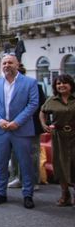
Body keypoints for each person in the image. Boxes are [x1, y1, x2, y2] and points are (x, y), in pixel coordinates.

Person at [0, 54, 39, 209]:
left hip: (21, 129)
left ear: (17, 65)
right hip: (1, 129)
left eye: (10, 62)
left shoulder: (30, 82)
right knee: (0, 164)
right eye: (4, 63)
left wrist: (17, 122)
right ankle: (0, 192)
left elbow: (33, 104)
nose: (6, 65)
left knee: (25, 164)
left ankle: (28, 194)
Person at [40, 74, 75, 206]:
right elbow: (42, 111)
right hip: (59, 136)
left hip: (74, 135)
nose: (61, 86)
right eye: (58, 84)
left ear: (71, 84)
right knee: (60, 164)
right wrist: (44, 124)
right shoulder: (52, 100)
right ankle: (65, 194)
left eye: (64, 83)